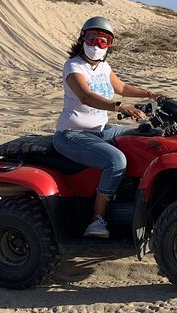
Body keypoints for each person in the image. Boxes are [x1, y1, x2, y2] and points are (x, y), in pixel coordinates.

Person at [53, 16, 166, 239]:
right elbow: (86, 96)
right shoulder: (73, 66)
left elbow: (121, 87)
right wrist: (119, 107)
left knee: (143, 138)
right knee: (116, 160)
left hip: (101, 129)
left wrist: (151, 94)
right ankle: (97, 219)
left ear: (109, 45)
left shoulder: (104, 67)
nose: (96, 45)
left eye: (103, 41)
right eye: (92, 38)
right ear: (82, 38)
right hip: (72, 134)